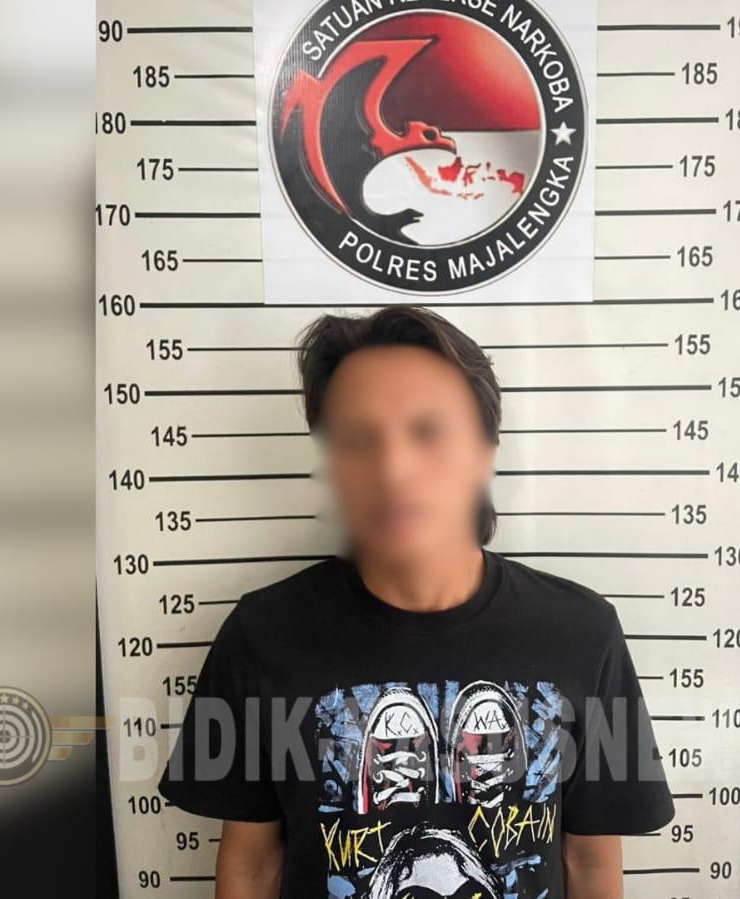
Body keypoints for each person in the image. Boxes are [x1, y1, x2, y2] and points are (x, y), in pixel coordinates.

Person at [159, 305, 673, 897]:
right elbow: (252, 865)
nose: (394, 468)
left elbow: (590, 862)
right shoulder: (262, 636)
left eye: (428, 431)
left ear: (484, 450)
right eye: (358, 439)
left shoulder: (582, 633)